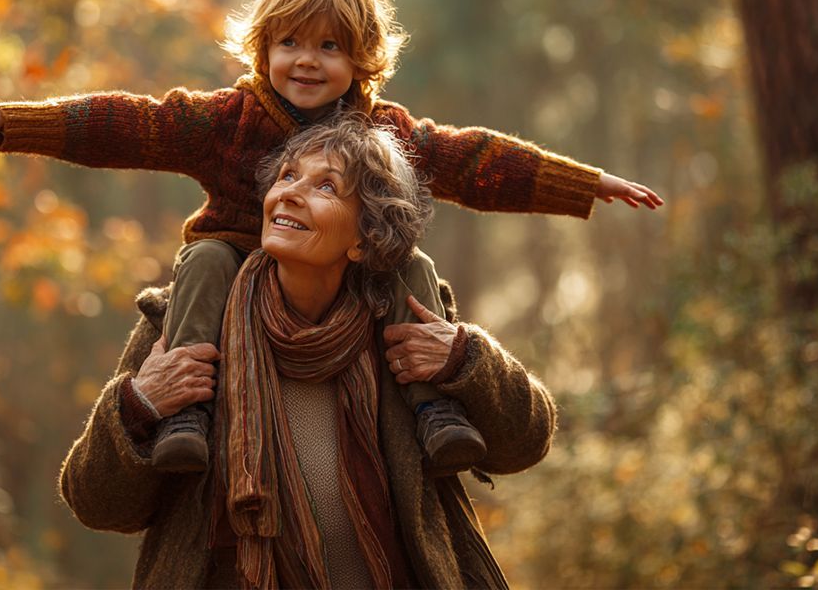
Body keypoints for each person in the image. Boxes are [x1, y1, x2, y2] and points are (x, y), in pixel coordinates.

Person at [0, 0, 661, 474]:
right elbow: (130, 123)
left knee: (411, 263)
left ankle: (435, 407)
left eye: (330, 47)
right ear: (262, 50)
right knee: (206, 260)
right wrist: (10, 120)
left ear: (363, 61)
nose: (306, 61)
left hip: (355, 274)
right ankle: (187, 414)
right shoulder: (226, 119)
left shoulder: (387, 133)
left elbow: (477, 160)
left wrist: (584, 182)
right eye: (289, 43)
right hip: (236, 268)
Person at [58, 116, 557, 589]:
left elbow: (526, 442)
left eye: (326, 187)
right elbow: (97, 504)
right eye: (287, 176)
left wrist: (468, 360)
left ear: (363, 240)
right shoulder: (189, 323)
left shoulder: (407, 321)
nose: (291, 193)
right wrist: (140, 405)